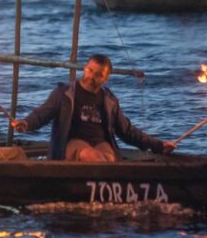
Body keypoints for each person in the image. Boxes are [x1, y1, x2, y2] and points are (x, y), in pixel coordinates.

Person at [11, 54, 175, 162]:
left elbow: (127, 131)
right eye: (90, 71)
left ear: (106, 78)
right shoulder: (64, 93)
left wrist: (159, 146)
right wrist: (26, 123)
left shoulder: (109, 100)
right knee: (94, 157)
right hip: (73, 143)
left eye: (98, 74)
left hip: (100, 142)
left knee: (109, 159)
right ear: (84, 68)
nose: (91, 77)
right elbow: (42, 114)